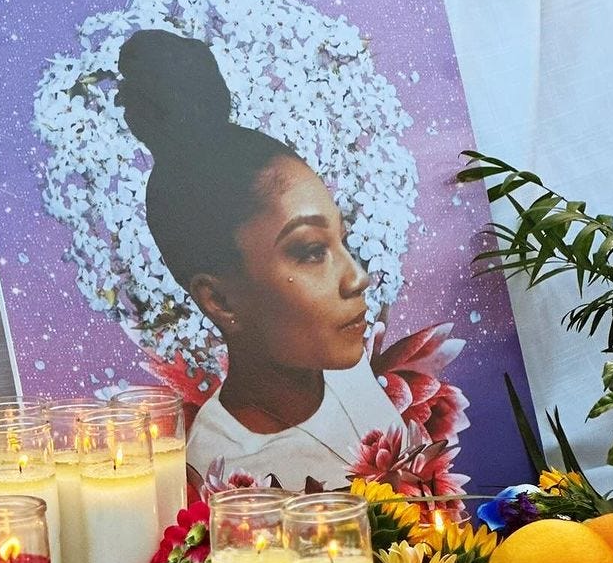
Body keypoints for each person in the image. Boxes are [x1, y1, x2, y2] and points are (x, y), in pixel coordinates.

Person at [116, 29, 402, 489]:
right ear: (220, 299)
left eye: (343, 242)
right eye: (311, 251)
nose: (357, 278)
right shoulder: (221, 469)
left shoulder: (354, 382)